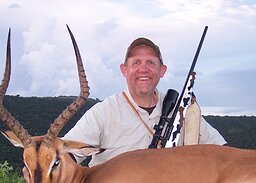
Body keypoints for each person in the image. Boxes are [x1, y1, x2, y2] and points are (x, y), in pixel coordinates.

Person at [64, 37, 226, 166]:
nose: (143, 69)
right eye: (136, 62)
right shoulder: (102, 112)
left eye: (151, 62)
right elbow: (67, 155)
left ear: (162, 71)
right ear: (124, 69)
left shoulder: (181, 110)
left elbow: (221, 149)